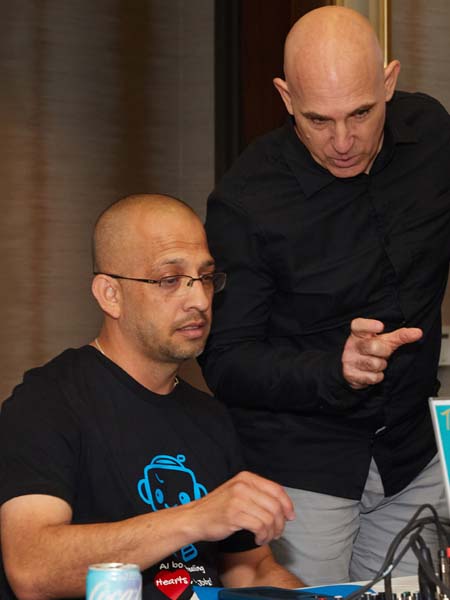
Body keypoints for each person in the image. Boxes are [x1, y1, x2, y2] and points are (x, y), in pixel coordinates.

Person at [200, 5, 450, 585]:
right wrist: (331, 369)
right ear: (286, 98)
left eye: (362, 113)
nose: (343, 141)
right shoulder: (246, 200)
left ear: (389, 82)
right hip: (301, 468)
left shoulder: (431, 137)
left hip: (413, 454)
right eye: (318, 120)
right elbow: (225, 361)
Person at [0, 194, 303, 600]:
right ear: (110, 294)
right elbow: (32, 569)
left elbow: (251, 571)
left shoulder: (210, 417)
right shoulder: (48, 401)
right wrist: (195, 518)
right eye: (170, 280)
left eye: (206, 278)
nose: (199, 300)